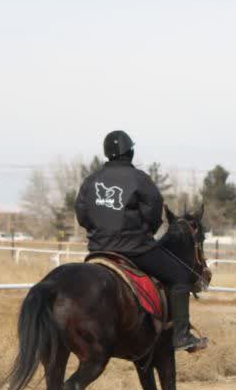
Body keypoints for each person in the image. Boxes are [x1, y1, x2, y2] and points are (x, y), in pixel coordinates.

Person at [75, 130, 207, 352]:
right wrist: (144, 232)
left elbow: (82, 216)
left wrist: (100, 234)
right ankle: (182, 336)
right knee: (180, 276)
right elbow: (154, 216)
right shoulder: (140, 180)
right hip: (136, 249)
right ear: (131, 153)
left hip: (98, 251)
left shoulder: (91, 180)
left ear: (107, 154)